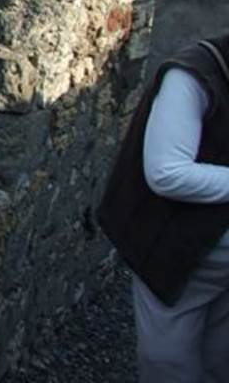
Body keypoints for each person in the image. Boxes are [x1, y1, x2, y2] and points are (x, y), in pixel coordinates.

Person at [98, 34, 229, 383]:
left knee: (215, 350)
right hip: (177, 241)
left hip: (211, 247)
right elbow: (167, 173)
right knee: (171, 355)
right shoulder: (192, 75)